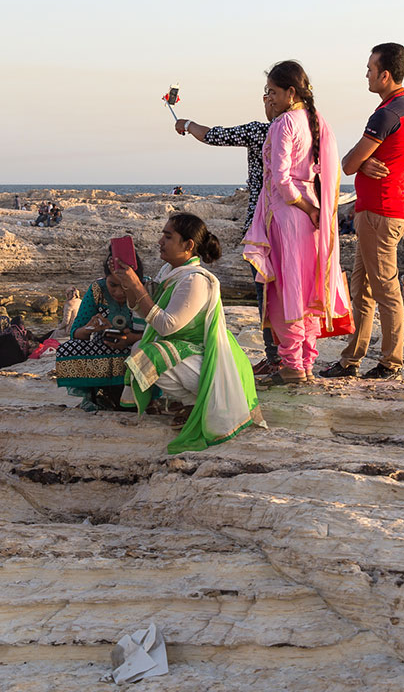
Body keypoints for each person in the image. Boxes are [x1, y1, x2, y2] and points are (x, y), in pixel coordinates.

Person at [111, 213, 263, 453]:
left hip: (206, 357)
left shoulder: (195, 280)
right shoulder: (170, 272)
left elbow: (167, 325)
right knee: (139, 350)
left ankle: (195, 403)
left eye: (168, 236)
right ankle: (187, 402)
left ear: (188, 245)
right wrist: (130, 285)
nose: (160, 241)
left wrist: (139, 287)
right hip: (188, 352)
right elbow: (143, 312)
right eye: (163, 235)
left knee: (147, 355)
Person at [241, 60, 350, 385]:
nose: (268, 98)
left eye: (272, 92)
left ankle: (291, 366)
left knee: (286, 290)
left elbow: (284, 182)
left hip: (289, 215)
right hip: (313, 218)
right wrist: (316, 210)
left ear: (290, 92)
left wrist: (303, 206)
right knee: (306, 290)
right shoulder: (317, 121)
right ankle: (305, 362)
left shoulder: (284, 124)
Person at [322, 43, 404, 380]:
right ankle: (351, 359)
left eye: (370, 68)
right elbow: (358, 164)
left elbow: (347, 164)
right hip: (374, 212)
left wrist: (359, 165)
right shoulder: (399, 109)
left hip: (381, 212)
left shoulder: (388, 113)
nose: (366, 74)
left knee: (385, 289)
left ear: (385, 74)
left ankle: (391, 362)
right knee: (361, 289)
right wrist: (363, 166)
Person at [173, 111, 280, 376]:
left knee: (265, 293)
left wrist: (186, 124)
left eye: (270, 93)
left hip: (263, 227)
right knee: (285, 294)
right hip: (293, 225)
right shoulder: (308, 131)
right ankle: (290, 356)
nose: (267, 100)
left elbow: (214, 135)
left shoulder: (261, 131)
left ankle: (277, 357)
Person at [55, 250, 147, 411]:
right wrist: (90, 328)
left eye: (125, 286)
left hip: (136, 348)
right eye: (113, 285)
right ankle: (98, 393)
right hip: (103, 347)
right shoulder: (97, 290)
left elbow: (160, 330)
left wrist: (131, 338)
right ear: (106, 279)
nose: (118, 292)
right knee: (66, 349)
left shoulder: (147, 289)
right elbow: (75, 333)